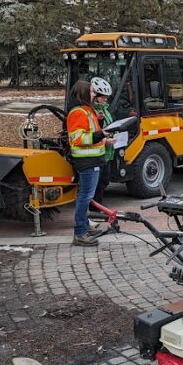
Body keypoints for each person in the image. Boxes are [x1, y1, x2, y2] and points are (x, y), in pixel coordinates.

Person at [67, 80, 115, 247]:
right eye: (92, 92)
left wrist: (100, 126)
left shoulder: (87, 110)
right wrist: (101, 134)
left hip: (93, 160)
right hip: (87, 161)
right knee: (85, 197)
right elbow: (77, 139)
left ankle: (85, 227)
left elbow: (91, 133)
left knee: (86, 196)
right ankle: (80, 233)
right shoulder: (78, 112)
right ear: (83, 93)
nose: (94, 94)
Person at [89, 77, 116, 206]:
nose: (105, 99)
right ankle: (95, 208)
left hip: (107, 153)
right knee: (97, 183)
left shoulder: (105, 109)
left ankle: (97, 206)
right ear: (95, 97)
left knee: (104, 180)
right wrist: (105, 140)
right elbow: (93, 132)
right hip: (98, 153)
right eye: (103, 97)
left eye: (106, 97)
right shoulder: (91, 111)